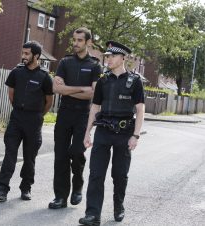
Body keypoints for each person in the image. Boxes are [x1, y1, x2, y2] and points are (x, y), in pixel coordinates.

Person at [79, 41, 145, 226]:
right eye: (107, 56)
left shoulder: (135, 81)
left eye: (113, 56)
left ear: (123, 58)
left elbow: (140, 110)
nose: (108, 59)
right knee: (96, 174)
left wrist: (136, 135)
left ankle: (118, 206)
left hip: (124, 134)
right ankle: (93, 214)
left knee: (119, 175)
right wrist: (87, 133)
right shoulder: (103, 80)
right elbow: (94, 108)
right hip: (103, 132)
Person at [0, 41, 53, 202]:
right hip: (16, 118)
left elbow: (49, 101)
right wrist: (20, 109)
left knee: (29, 157)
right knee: (9, 154)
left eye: (27, 54)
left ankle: (26, 188)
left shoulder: (45, 77)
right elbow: (11, 95)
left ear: (36, 56)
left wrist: (38, 115)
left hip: (34, 121)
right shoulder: (16, 73)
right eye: (23, 53)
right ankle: (1, 189)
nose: (23, 56)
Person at [48, 27, 102, 209]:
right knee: (61, 156)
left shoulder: (95, 65)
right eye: (74, 40)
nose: (75, 43)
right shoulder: (65, 62)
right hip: (64, 113)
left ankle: (77, 185)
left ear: (88, 42)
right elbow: (56, 89)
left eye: (80, 40)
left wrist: (68, 90)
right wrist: (80, 89)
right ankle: (60, 197)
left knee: (77, 152)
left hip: (84, 115)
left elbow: (94, 94)